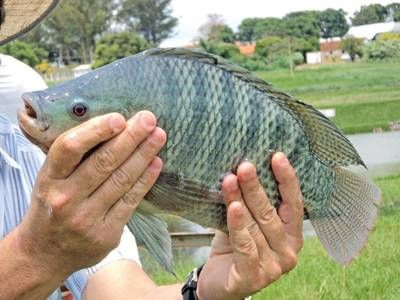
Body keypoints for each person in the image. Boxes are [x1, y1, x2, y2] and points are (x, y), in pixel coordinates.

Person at [0, 1, 304, 299]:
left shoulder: (34, 161)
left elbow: (120, 293)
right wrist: (41, 253)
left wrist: (205, 289)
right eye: (79, 110)